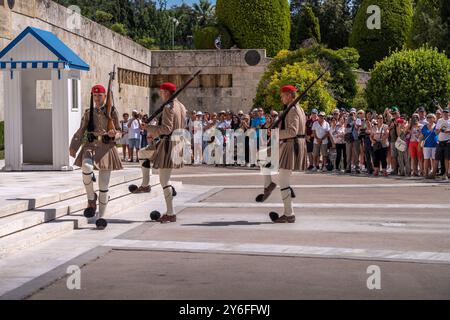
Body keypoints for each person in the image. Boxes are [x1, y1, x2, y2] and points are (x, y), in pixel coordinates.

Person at [69, 84, 123, 229]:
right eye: (95, 95)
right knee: (86, 168)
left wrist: (114, 134)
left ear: (105, 97)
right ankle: (91, 198)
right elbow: (81, 131)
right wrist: (73, 146)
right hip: (91, 146)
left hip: (106, 148)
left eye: (100, 96)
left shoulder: (112, 112)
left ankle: (102, 216)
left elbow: (119, 131)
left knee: (103, 185)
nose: (97, 98)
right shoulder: (88, 113)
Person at [256, 85, 307, 224]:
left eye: (283, 95)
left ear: (290, 95)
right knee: (262, 155)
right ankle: (269, 185)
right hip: (290, 144)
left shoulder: (293, 110)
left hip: (291, 146)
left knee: (284, 180)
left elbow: (292, 131)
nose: (281, 97)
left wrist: (275, 134)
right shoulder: (298, 109)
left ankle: (289, 214)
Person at [142, 82, 187, 223]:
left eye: (162, 92)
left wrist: (148, 128)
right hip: (177, 143)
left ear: (166, 92)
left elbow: (166, 129)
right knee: (142, 153)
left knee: (164, 180)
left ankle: (170, 212)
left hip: (168, 144)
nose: (161, 94)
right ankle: (145, 184)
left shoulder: (168, 107)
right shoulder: (181, 106)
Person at [420, 113, 438, 178]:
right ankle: (426, 173)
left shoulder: (437, 126)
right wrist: (420, 145)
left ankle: (433, 173)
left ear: (434, 119)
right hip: (426, 145)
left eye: (431, 117)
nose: (429, 119)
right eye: (428, 117)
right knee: (426, 159)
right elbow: (421, 136)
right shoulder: (424, 127)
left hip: (435, 145)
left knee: (434, 159)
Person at [435, 108, 450, 180]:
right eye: (444, 112)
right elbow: (436, 132)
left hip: (448, 142)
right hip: (440, 141)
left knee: (447, 159)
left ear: (449, 113)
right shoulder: (439, 120)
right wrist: (440, 130)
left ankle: (446, 174)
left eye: (446, 112)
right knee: (437, 158)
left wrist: (448, 131)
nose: (445, 113)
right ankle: (433, 173)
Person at [345, 108, 361, 174]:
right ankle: (348, 168)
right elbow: (345, 126)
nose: (352, 114)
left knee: (356, 153)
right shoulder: (348, 119)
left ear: (356, 113)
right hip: (349, 138)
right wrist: (348, 117)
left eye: (354, 113)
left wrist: (354, 119)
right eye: (351, 113)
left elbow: (357, 128)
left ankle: (357, 167)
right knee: (348, 153)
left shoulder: (358, 119)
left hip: (355, 138)